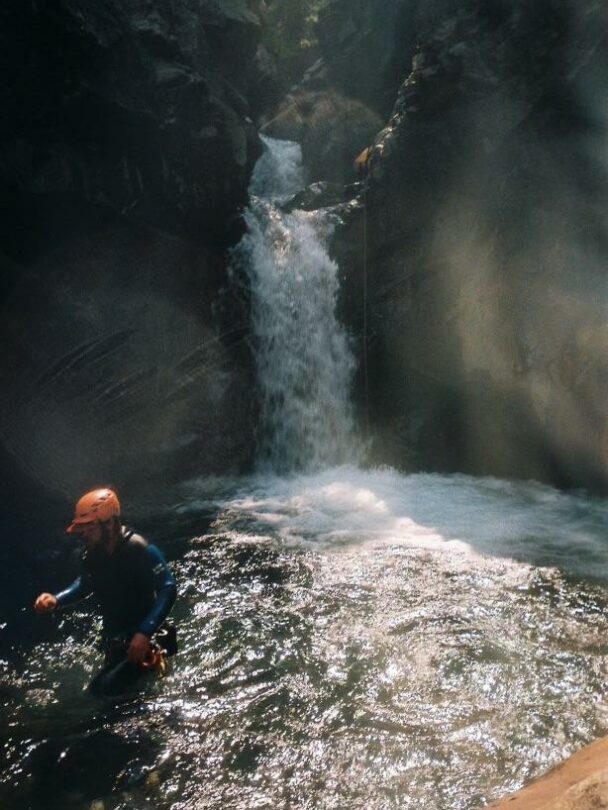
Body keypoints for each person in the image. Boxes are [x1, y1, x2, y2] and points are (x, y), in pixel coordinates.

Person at [34, 487, 177, 695]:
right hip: (118, 641)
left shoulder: (140, 549)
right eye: (82, 529)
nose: (83, 535)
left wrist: (145, 632)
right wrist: (56, 600)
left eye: (89, 528)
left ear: (109, 524)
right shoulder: (93, 553)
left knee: (102, 691)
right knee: (108, 693)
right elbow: (85, 584)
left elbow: (167, 588)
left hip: (146, 641)